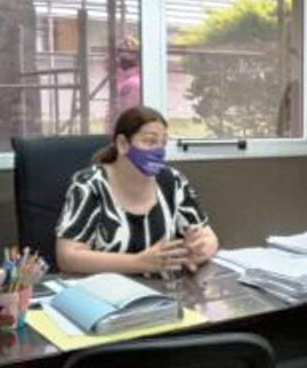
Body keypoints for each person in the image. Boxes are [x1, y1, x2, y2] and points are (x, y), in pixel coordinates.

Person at [56, 105, 219, 277]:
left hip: (163, 289)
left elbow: (210, 237)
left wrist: (198, 250)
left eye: (163, 143)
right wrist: (139, 262)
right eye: (150, 141)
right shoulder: (89, 184)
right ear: (122, 144)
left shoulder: (172, 181)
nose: (158, 150)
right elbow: (67, 257)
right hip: (107, 289)